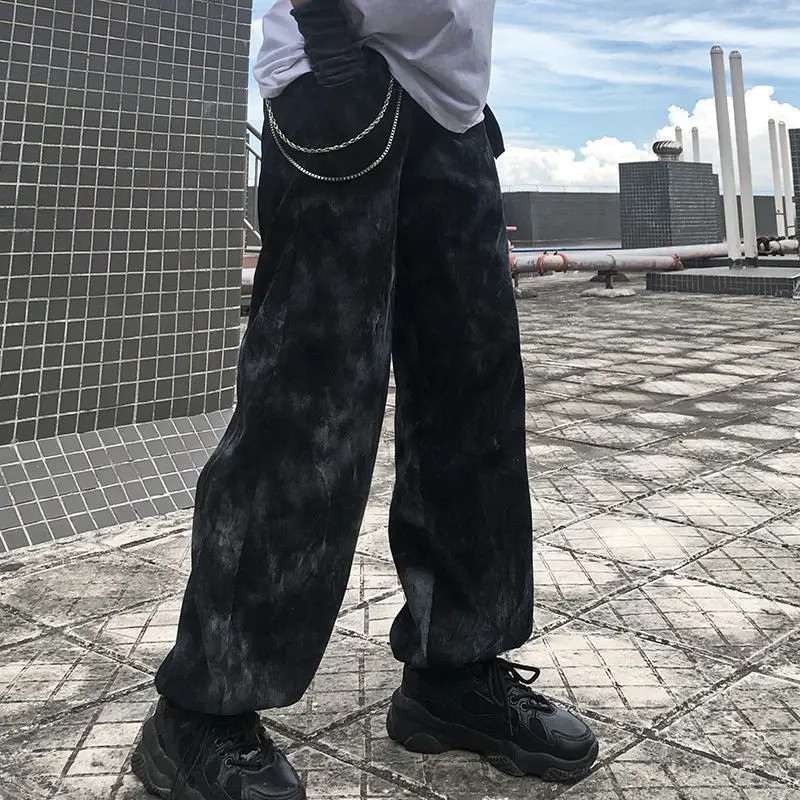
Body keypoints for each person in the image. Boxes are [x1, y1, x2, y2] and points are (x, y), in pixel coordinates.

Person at [131, 2, 598, 798]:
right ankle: (202, 709)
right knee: (310, 410)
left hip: (455, 102)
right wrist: (322, 31)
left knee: (474, 403)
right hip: (338, 67)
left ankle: (454, 674)